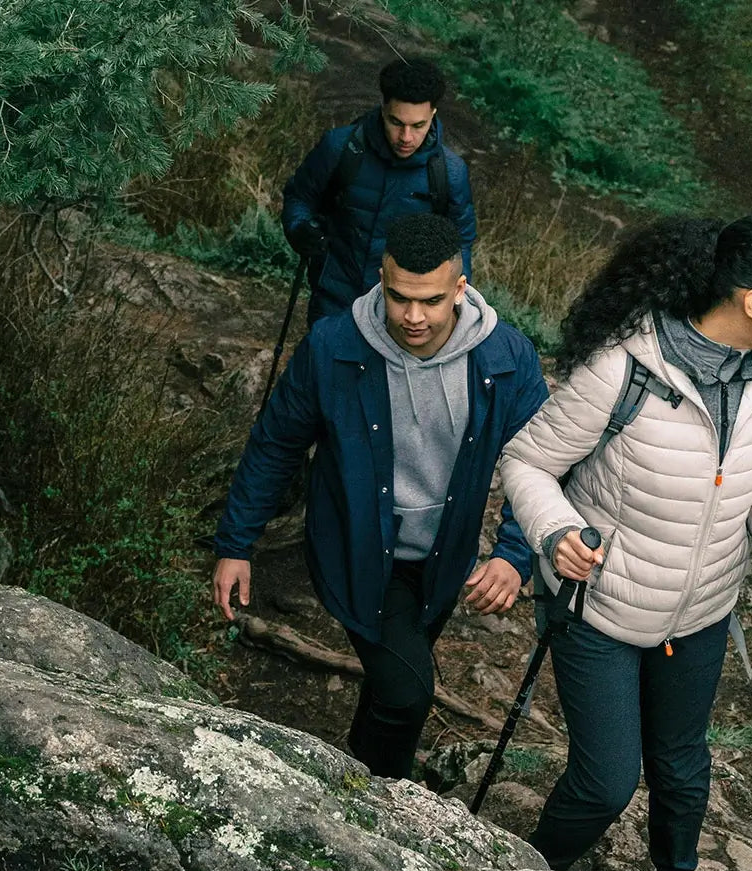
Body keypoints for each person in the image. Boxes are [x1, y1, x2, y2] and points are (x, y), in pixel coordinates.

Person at [498, 213, 752, 871]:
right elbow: (527, 462)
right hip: (602, 611)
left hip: (701, 613)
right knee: (606, 782)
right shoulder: (625, 368)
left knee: (681, 768)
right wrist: (556, 532)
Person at [212, 213, 547, 780]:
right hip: (359, 548)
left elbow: (541, 459)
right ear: (381, 279)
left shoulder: (506, 357)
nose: (413, 317)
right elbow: (276, 444)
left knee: (392, 683)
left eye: (431, 301)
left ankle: (353, 780)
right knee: (407, 694)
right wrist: (235, 543)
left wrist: (515, 555)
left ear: (459, 289)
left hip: (443, 557)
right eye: (399, 298)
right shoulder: (333, 346)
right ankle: (384, 804)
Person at [282, 57, 477, 325]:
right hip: (334, 297)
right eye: (396, 122)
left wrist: (455, 306)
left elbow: (460, 243)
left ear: (433, 114)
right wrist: (299, 228)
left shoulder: (449, 173)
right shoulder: (340, 148)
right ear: (383, 108)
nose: (405, 137)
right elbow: (299, 197)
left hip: (402, 311)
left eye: (417, 126)